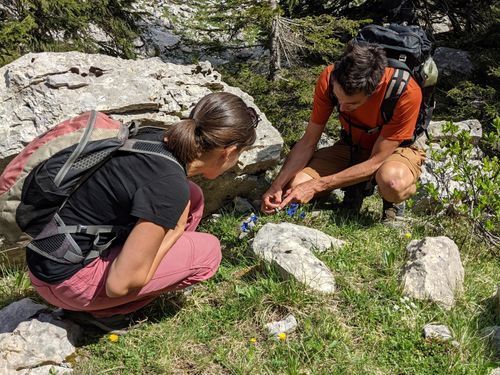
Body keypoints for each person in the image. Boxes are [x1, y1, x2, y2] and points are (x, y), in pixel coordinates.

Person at [27, 92, 258, 331]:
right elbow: (119, 284)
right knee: (208, 253)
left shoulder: (155, 137)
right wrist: (175, 233)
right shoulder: (169, 186)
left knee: (194, 197)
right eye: (239, 154)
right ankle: (100, 313)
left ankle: (130, 267)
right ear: (228, 152)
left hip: (49, 253)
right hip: (65, 283)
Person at [261, 42, 425, 221]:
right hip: (352, 145)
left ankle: (392, 201)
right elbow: (308, 141)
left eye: (352, 103)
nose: (343, 108)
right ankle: (354, 186)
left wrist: (318, 185)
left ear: (375, 89)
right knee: (295, 184)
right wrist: (276, 185)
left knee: (393, 182)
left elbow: (376, 161)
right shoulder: (329, 78)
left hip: (392, 152)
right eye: (338, 99)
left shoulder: (405, 91)